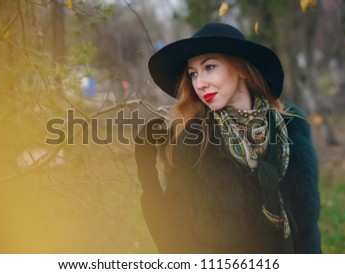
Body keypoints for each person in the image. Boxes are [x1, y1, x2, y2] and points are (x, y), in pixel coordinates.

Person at [135, 22, 321, 253]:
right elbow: (175, 245)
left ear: (241, 69)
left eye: (209, 67)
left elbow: (307, 235)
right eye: (193, 74)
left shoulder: (291, 130)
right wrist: (147, 174)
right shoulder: (195, 142)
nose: (200, 83)